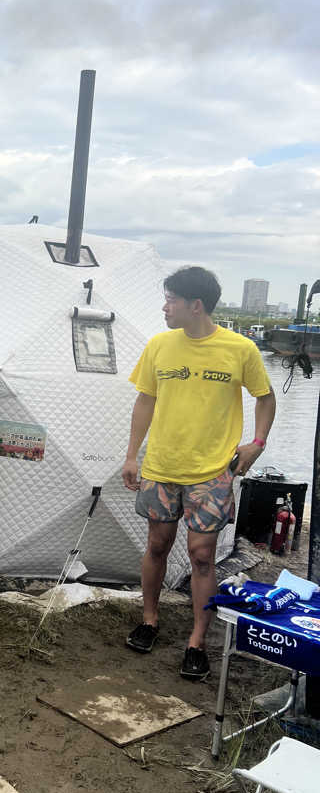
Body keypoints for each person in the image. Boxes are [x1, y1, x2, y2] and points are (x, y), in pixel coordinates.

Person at [122, 266, 276, 680]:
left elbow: (265, 397)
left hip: (212, 471)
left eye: (171, 299)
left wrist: (256, 443)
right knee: (157, 545)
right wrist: (132, 455)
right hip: (161, 466)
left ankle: (197, 641)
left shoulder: (240, 349)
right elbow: (145, 401)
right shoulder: (159, 346)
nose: (164, 306)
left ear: (196, 305)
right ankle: (150, 619)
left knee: (202, 556)